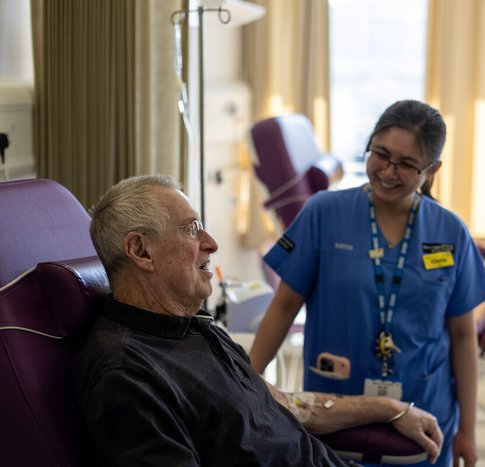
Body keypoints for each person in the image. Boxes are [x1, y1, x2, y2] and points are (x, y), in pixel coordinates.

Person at [72, 174, 443, 466]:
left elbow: (281, 404)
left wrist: (391, 408)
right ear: (141, 251)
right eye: (191, 229)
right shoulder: (126, 374)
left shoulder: (194, 330)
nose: (211, 242)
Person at [248, 100, 485, 467]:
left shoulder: (450, 232)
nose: (389, 171)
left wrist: (469, 430)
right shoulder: (323, 213)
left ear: (432, 170)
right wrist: (244, 386)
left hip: (426, 411)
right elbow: (284, 306)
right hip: (335, 409)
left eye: (407, 164)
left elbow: (462, 335)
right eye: (380, 154)